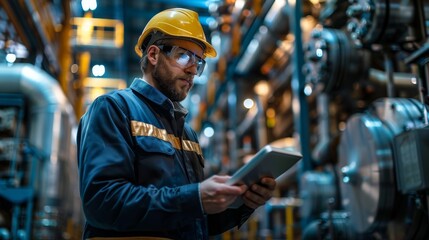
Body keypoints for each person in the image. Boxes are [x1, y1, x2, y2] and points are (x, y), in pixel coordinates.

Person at [77, 8, 276, 240]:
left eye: (198, 62)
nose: (193, 69)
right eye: (184, 56)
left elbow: (192, 220)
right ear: (153, 55)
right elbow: (102, 202)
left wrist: (242, 203)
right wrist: (195, 198)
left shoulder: (187, 132)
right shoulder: (114, 109)